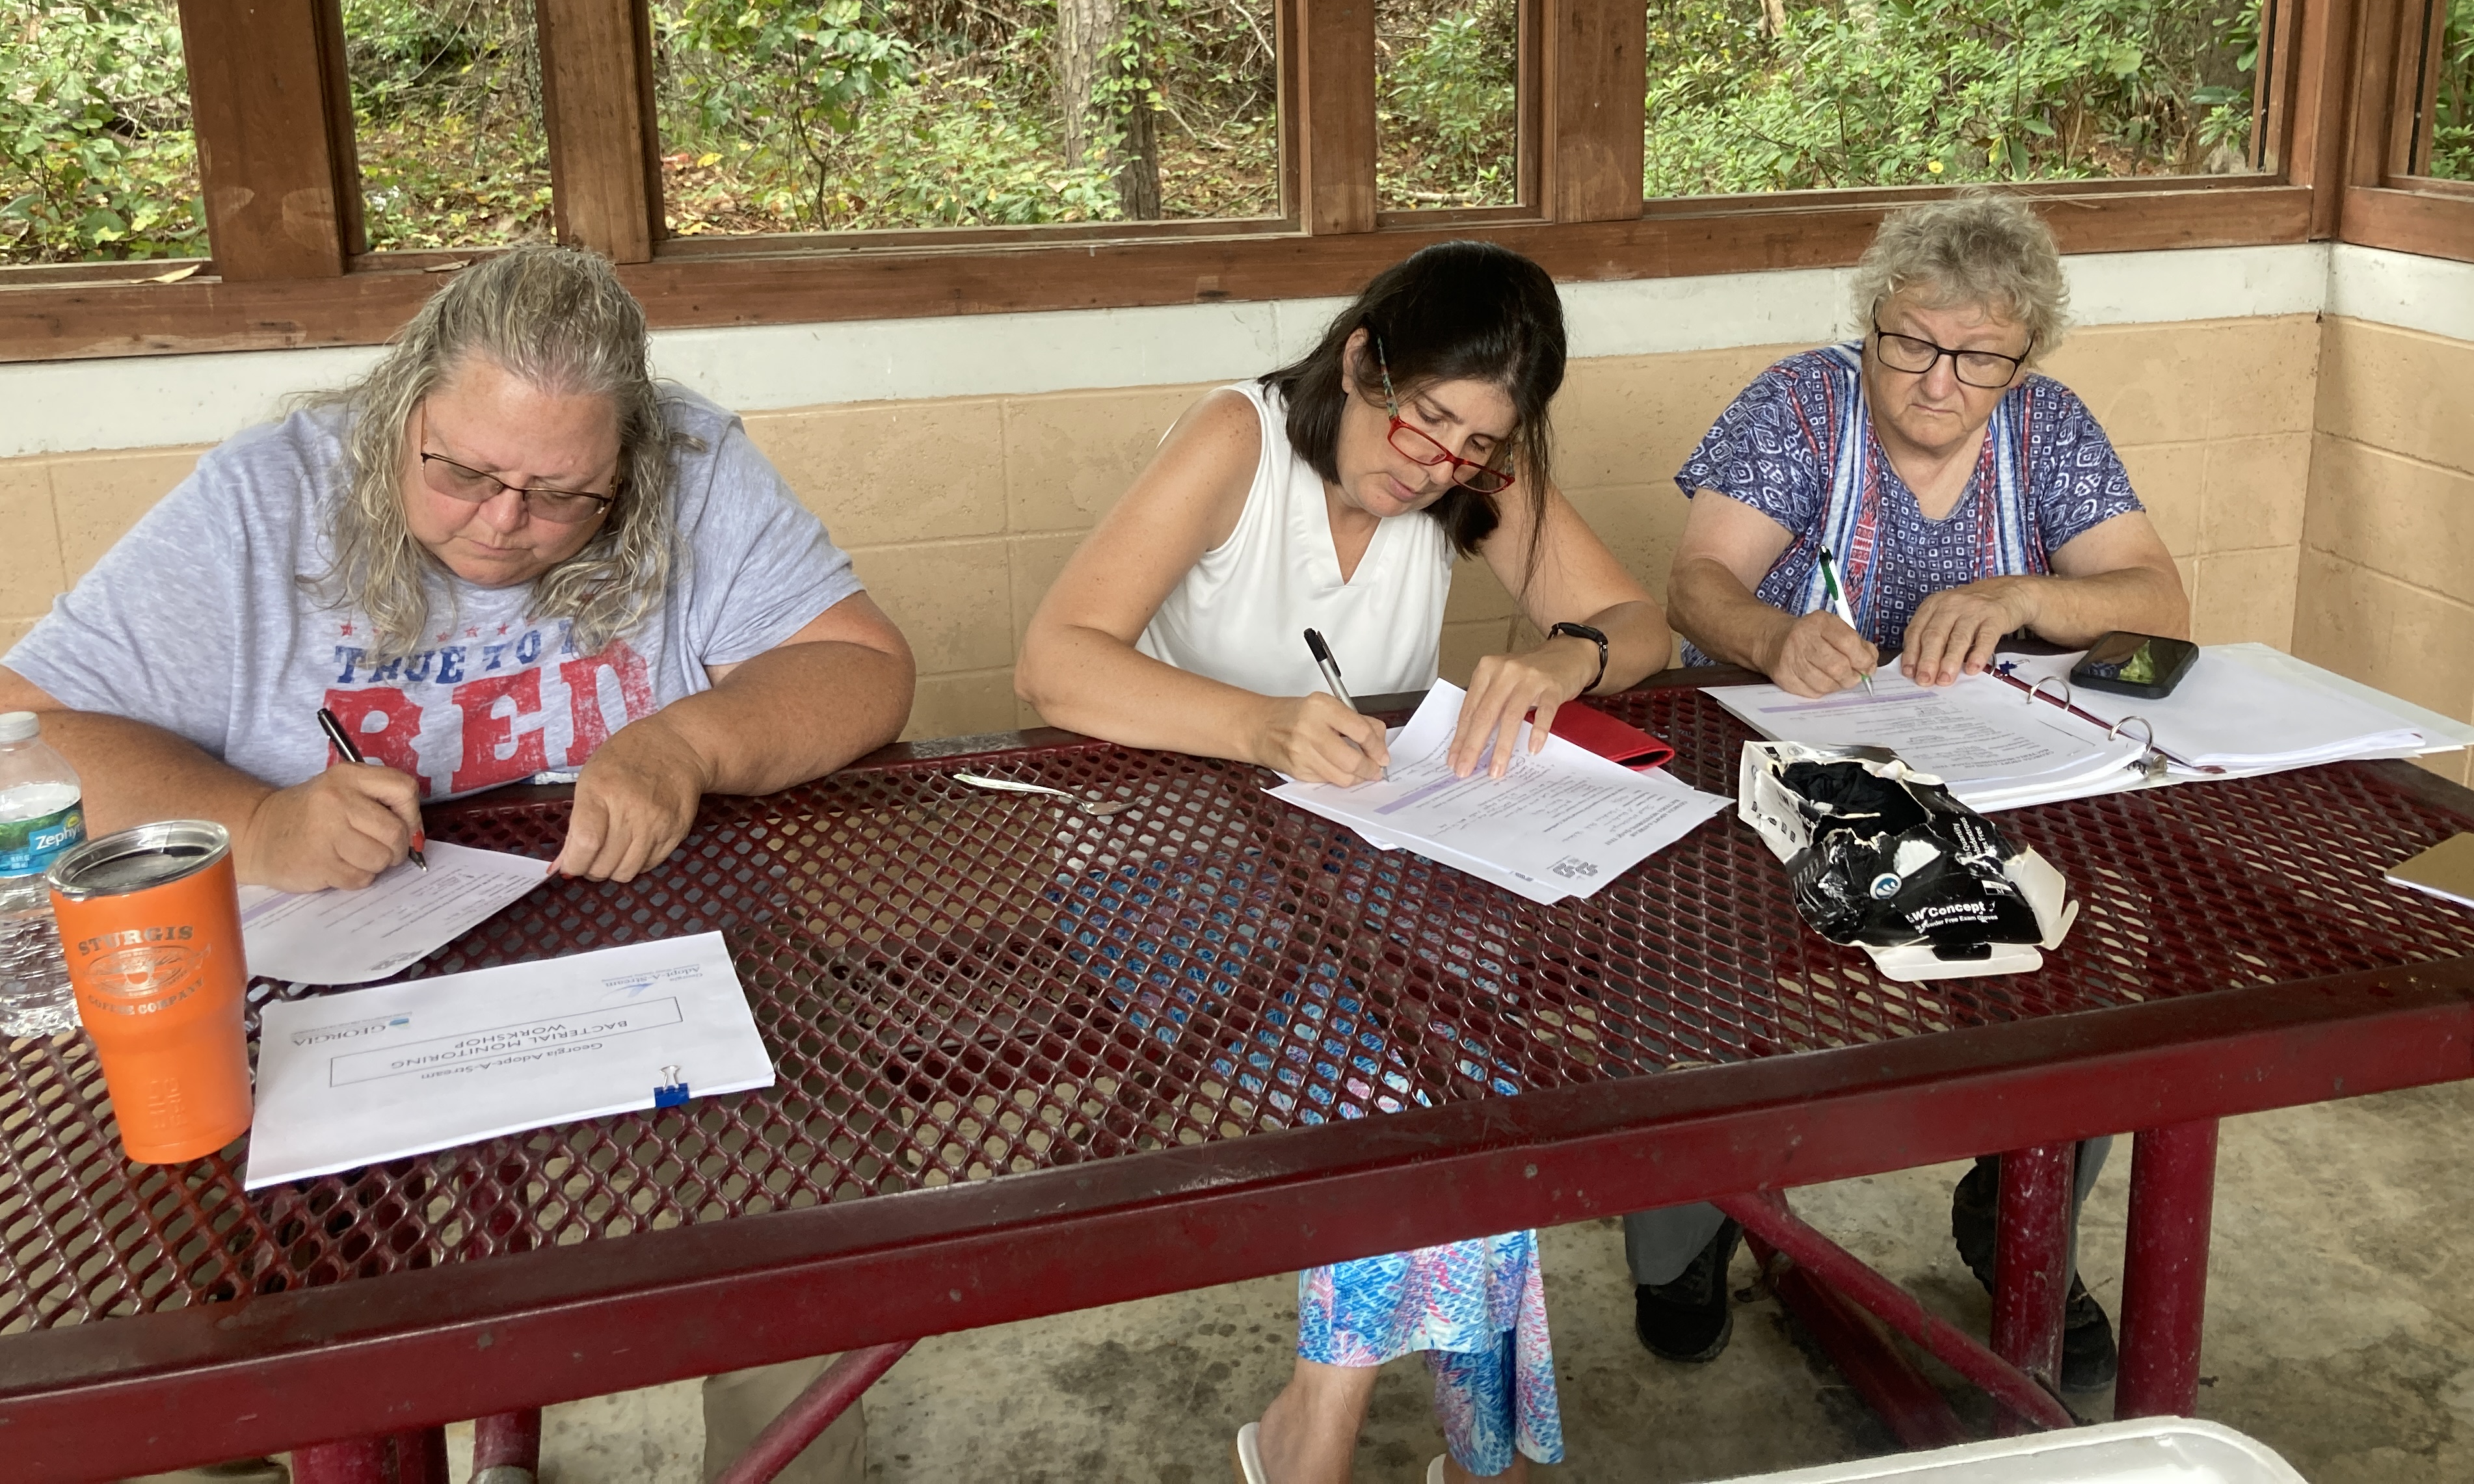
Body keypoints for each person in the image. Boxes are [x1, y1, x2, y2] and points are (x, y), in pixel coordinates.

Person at [1, 243, 916, 1484]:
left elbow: (863, 665)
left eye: (560, 494)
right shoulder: (267, 495)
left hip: (645, 943)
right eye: (465, 472)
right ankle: (275, 1437)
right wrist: (258, 820)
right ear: (402, 408)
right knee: (179, 1232)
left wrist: (688, 740)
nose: (503, 523)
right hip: (327, 971)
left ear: (629, 462)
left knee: (833, 1212)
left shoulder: (694, 462)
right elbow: (29, 731)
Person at [1017, 239, 1671, 1483]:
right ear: (1361, 359)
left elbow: (1638, 624)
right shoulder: (1240, 441)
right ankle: (1368, 1436)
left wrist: (1566, 658)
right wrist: (1254, 725)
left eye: (1473, 449)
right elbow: (1054, 660)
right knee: (1408, 1090)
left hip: (1367, 862)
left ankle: (1442, 1446)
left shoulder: (1471, 468)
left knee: (1489, 1075)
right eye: (1422, 424)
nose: (1436, 469)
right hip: (1154, 868)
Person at [1643, 191, 2190, 1388]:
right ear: (1873, 322)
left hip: (1983, 776)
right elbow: (1695, 586)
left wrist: (2024, 597)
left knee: (2077, 951)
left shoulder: (2047, 429)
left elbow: (2158, 601)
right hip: (1776, 767)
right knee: (1699, 957)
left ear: (2022, 357)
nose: (1940, 380)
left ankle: (2016, 1214)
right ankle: (1692, 1234)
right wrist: (1776, 633)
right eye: (1912, 343)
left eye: (1979, 356)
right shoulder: (1796, 405)